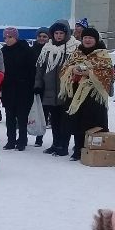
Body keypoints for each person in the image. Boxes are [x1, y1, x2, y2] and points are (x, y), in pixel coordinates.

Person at [59, 26, 115, 160]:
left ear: (96, 40)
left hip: (94, 97)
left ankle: (94, 150)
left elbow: (109, 73)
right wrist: (73, 70)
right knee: (77, 122)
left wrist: (89, 73)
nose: (87, 40)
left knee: (92, 123)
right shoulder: (76, 53)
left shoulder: (102, 54)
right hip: (76, 94)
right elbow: (64, 68)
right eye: (85, 38)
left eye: (90, 38)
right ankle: (78, 149)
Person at [34, 21, 72, 156]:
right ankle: (56, 144)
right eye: (56, 33)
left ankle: (64, 146)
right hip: (50, 90)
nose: (59, 36)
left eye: (61, 33)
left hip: (66, 90)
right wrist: (38, 84)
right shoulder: (47, 48)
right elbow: (40, 68)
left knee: (65, 120)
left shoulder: (73, 48)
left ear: (66, 34)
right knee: (54, 120)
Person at [0, 26, 35, 151]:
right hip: (8, 88)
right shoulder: (3, 51)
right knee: (9, 116)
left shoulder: (25, 50)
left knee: (22, 116)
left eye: (10, 37)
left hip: (23, 88)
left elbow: (32, 69)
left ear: (15, 37)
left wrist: (31, 85)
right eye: (5, 37)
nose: (7, 40)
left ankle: (22, 141)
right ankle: (11, 140)